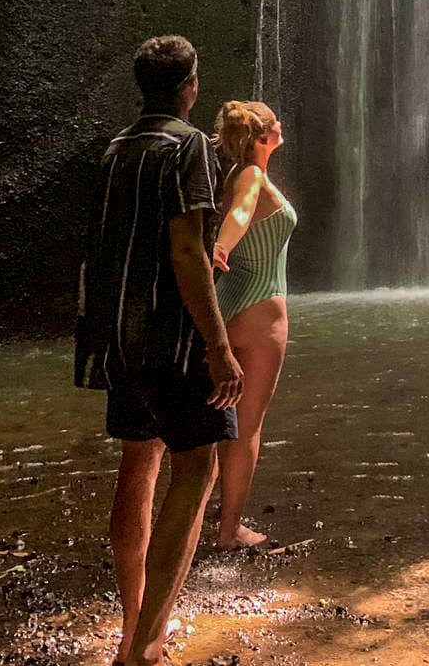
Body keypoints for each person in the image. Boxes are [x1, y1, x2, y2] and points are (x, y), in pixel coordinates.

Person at [75, 36, 244, 666]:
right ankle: (145, 645)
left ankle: (130, 627)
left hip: (119, 336)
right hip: (172, 342)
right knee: (198, 469)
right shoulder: (190, 145)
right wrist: (219, 344)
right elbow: (182, 250)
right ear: (189, 86)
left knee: (138, 466)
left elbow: (115, 245)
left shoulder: (116, 149)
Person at [210, 100, 297, 548]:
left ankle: (195, 516)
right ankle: (230, 531)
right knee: (246, 431)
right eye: (274, 121)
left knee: (216, 424)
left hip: (229, 310)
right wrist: (221, 247)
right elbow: (240, 214)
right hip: (261, 315)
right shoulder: (251, 176)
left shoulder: (242, 175)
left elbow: (242, 212)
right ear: (262, 137)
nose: (282, 123)